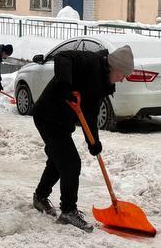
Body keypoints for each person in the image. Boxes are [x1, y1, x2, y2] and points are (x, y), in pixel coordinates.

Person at [32, 42, 134, 231]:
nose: (122, 80)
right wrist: (65, 86)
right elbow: (63, 57)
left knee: (58, 162)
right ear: (114, 67)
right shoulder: (91, 62)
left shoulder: (103, 83)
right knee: (71, 163)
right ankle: (68, 211)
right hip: (47, 115)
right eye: (122, 75)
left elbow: (91, 114)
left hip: (63, 121)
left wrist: (93, 142)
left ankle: (40, 196)